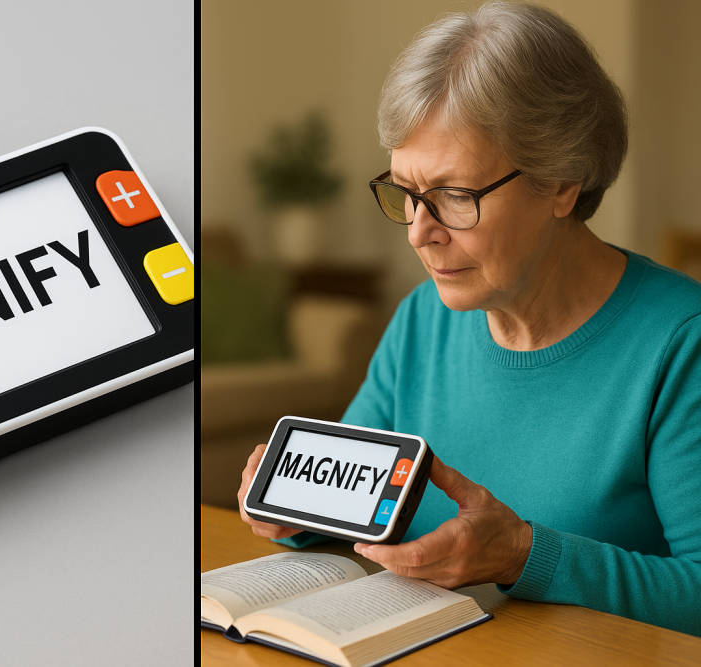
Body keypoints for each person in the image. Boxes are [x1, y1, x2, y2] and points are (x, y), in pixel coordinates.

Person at [237, 1, 701, 636]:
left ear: (562, 181)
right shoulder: (421, 320)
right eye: (405, 192)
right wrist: (296, 512)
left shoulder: (680, 342)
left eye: (454, 196)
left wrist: (524, 556)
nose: (419, 234)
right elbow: (347, 509)